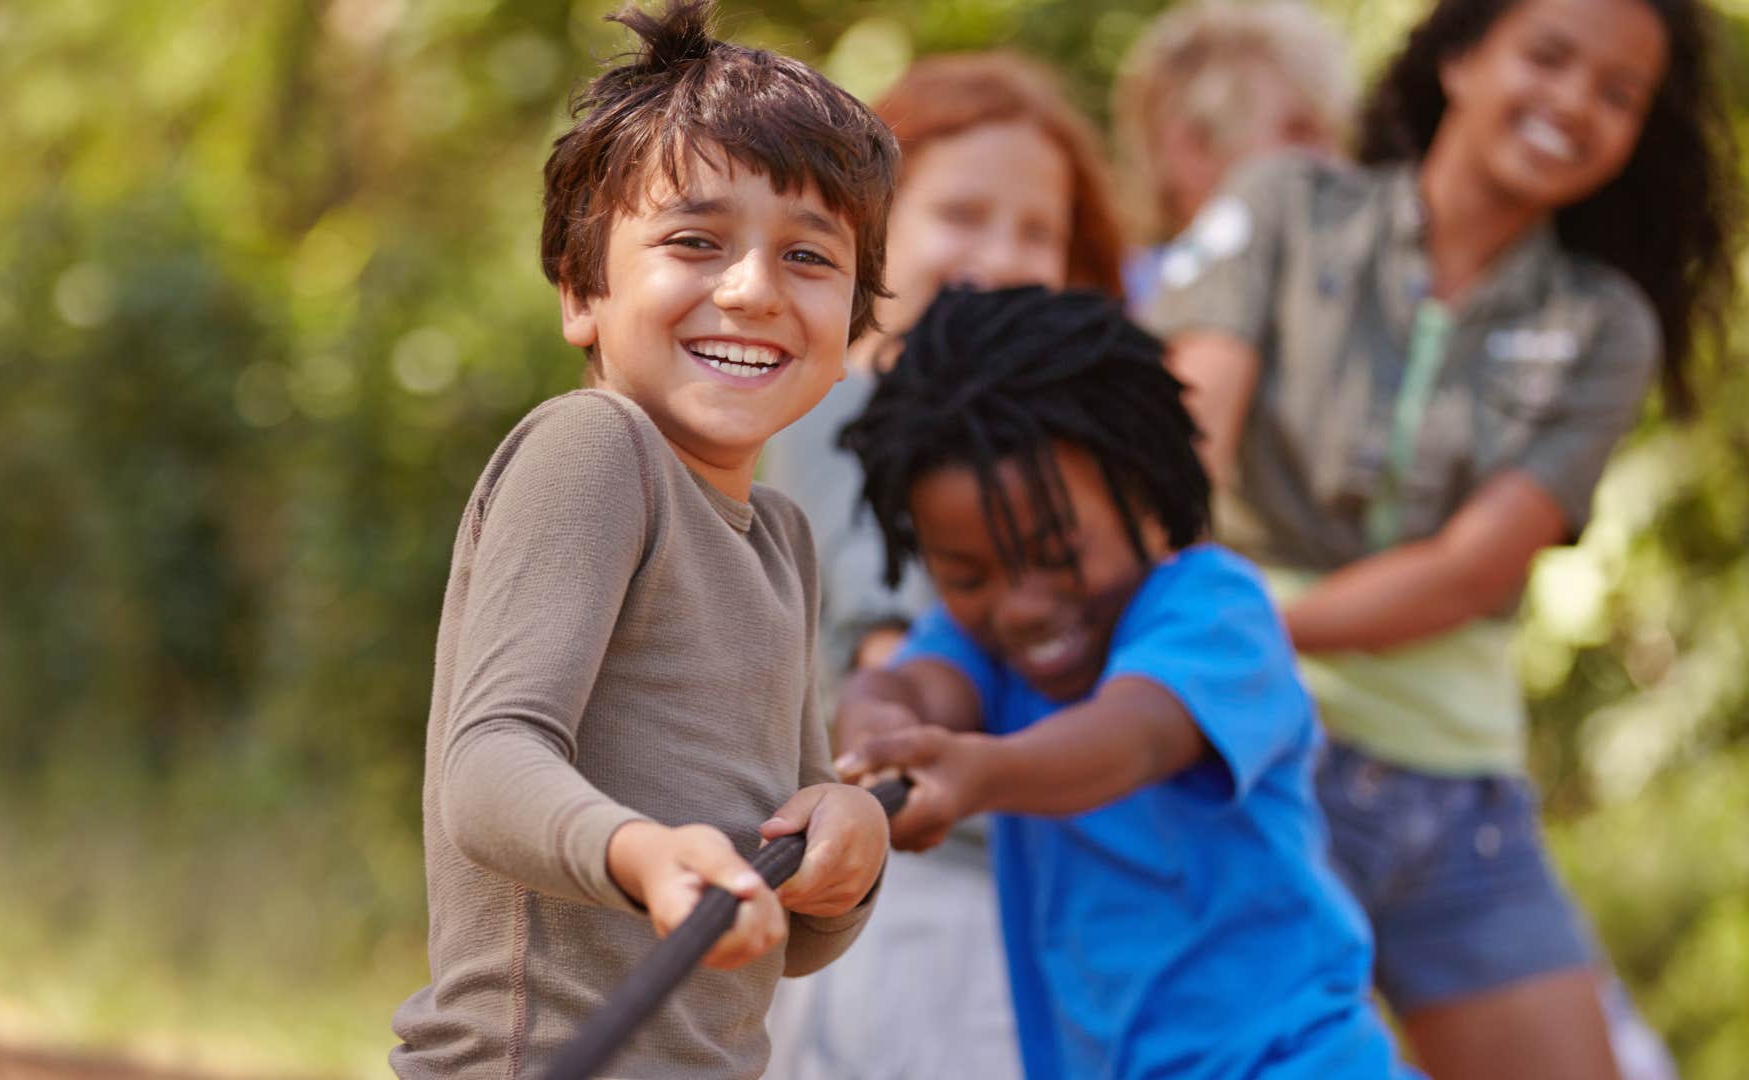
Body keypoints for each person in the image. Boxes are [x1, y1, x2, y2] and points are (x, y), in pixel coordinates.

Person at [1147, 0, 1740, 1074]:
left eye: (1618, 94)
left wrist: (1252, 619)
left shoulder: (1603, 324)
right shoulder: (1286, 205)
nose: (1574, 103)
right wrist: (1200, 648)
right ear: (1462, 57)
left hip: (1453, 800)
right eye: (1548, 57)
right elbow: (1180, 449)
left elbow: (1471, 572)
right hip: (1252, 757)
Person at [387, 4, 902, 1076]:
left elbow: (773, 932)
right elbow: (485, 768)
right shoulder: (594, 449)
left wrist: (844, 853)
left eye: (809, 256)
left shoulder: (782, 540)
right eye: (693, 242)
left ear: (855, 322)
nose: (752, 289)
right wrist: (645, 855)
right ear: (583, 288)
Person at [830, 284, 1413, 1079]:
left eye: (1057, 552)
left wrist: (980, 773)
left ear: (1141, 489)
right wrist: (871, 741)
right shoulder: (977, 643)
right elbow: (910, 691)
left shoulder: (1214, 613)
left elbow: (1131, 737)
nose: (1023, 607)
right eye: (967, 575)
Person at [761, 52, 1123, 1080]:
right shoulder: (857, 406)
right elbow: (879, 647)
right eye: (963, 214)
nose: (1002, 258)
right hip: (925, 902)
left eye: (1038, 232)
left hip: (1030, 883)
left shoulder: (1040, 445)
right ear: (873, 228)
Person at [1111, 0, 1353, 310]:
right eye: (1298, 132)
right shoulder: (1119, 314)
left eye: (1334, 136)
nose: (1335, 163)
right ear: (1192, 147)